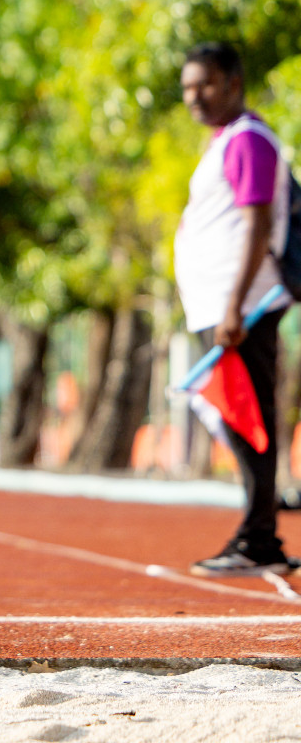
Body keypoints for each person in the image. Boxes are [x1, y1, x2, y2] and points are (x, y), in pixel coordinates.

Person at [174, 41, 292, 577]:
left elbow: (257, 224)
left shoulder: (247, 140)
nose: (194, 96)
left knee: (250, 421)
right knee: (241, 420)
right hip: (224, 308)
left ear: (233, 83)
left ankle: (258, 539)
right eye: (187, 87)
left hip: (239, 310)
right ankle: (257, 535)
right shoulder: (226, 142)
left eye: (205, 84)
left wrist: (232, 307)